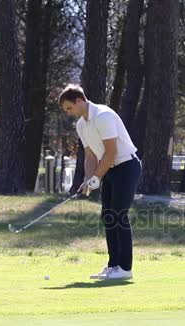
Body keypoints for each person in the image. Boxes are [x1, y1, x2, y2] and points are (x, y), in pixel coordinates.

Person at [58, 84, 141, 280]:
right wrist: (88, 178)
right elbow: (90, 155)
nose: (69, 113)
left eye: (69, 108)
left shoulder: (103, 116)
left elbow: (111, 152)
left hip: (126, 166)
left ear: (79, 101)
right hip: (110, 168)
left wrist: (97, 177)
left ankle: (125, 268)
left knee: (120, 215)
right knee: (108, 216)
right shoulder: (81, 125)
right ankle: (113, 266)